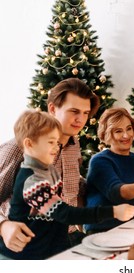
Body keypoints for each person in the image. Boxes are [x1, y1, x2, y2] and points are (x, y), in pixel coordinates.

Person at [0, 110, 134, 259]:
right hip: (26, 256)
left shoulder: (47, 169)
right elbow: (65, 214)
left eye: (57, 142)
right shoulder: (32, 182)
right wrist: (113, 212)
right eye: (51, 142)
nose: (57, 147)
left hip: (52, 250)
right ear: (30, 144)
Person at [0, 78, 99, 253]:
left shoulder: (74, 144)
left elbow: (73, 184)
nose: (81, 119)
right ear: (52, 109)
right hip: (27, 244)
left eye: (86, 112)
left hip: (66, 237)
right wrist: (4, 226)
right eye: (74, 111)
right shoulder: (19, 147)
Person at [85, 108, 134, 233]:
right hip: (105, 231)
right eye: (118, 131)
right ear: (107, 134)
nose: (126, 135)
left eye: (129, 128)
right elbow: (117, 193)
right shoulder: (100, 161)